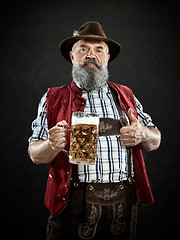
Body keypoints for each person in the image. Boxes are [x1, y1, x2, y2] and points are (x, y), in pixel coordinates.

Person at [28, 21, 161, 240]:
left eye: (99, 49)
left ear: (107, 58)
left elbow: (155, 139)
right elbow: (35, 154)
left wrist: (143, 134)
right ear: (72, 56)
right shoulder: (53, 98)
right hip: (72, 206)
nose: (91, 55)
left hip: (124, 206)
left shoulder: (126, 95)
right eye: (83, 49)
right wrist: (51, 145)